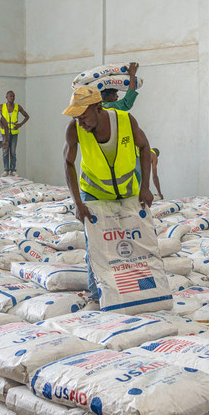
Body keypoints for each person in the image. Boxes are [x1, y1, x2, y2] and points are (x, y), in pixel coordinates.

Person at [62, 86, 154, 300]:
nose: (80, 122)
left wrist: (145, 186)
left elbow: (144, 146)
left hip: (127, 192)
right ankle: (97, 297)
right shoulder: (74, 129)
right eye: (76, 118)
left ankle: (140, 291)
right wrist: (77, 202)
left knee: (134, 244)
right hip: (94, 194)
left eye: (83, 116)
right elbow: (68, 163)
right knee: (96, 247)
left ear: (98, 108)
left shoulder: (125, 121)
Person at [0, 90, 29, 177]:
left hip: (14, 132)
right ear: (6, 97)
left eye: (13, 96)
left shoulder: (17, 107)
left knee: (13, 151)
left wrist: (20, 124)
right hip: (4, 133)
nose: (12, 98)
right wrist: (0, 124)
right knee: (5, 151)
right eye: (10, 96)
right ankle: (6, 170)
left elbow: (27, 116)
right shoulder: (1, 107)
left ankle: (13, 170)